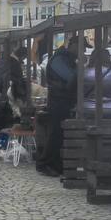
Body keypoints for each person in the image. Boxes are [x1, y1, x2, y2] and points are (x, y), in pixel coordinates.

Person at [36, 36, 82, 177]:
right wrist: (80, 68)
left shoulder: (65, 59)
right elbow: (70, 79)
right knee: (55, 134)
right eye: (81, 47)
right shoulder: (58, 59)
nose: (83, 50)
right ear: (72, 45)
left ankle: (56, 164)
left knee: (60, 135)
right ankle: (45, 164)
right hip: (58, 101)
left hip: (63, 100)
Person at [83, 48, 111, 118]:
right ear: (108, 58)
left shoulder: (84, 73)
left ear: (92, 58)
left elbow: (73, 90)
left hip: (89, 110)